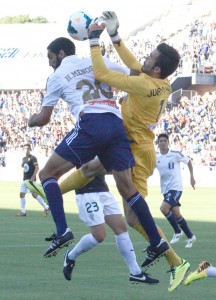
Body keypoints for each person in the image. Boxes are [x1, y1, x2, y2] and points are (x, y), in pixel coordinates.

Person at [26, 13, 189, 292]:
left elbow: (104, 73)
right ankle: (49, 192)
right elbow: (134, 66)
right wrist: (116, 38)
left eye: (150, 57)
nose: (145, 59)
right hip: (123, 135)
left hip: (135, 148)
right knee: (89, 169)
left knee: (132, 216)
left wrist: (95, 42)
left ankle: (175, 261)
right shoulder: (157, 82)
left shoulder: (143, 83)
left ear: (158, 70)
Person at [27, 37, 168, 261]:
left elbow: (44, 118)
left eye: (51, 57)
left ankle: (62, 230)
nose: (49, 62)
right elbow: (134, 73)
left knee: (46, 174)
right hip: (116, 124)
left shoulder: (55, 77)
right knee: (128, 190)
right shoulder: (97, 62)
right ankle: (157, 240)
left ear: (61, 54)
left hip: (91, 123)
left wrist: (31, 121)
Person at [62, 174, 158, 284]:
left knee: (121, 229)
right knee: (99, 235)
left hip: (103, 190)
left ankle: (135, 272)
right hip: (87, 192)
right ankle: (70, 256)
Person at [155, 133, 196, 248]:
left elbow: (188, 162)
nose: (162, 143)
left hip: (176, 187)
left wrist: (192, 177)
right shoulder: (156, 157)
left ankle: (177, 232)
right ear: (158, 144)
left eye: (164, 140)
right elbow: (149, 170)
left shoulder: (175, 154)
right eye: (160, 141)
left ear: (168, 142)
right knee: (176, 213)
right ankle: (190, 236)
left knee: (163, 208)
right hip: (165, 189)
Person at [16, 143, 49, 217]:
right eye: (25, 148)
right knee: (22, 194)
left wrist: (33, 176)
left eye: (28, 148)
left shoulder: (33, 158)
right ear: (23, 149)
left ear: (30, 149)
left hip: (30, 180)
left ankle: (46, 207)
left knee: (34, 194)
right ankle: (23, 212)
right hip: (24, 180)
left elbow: (37, 167)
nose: (26, 150)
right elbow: (24, 168)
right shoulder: (23, 159)